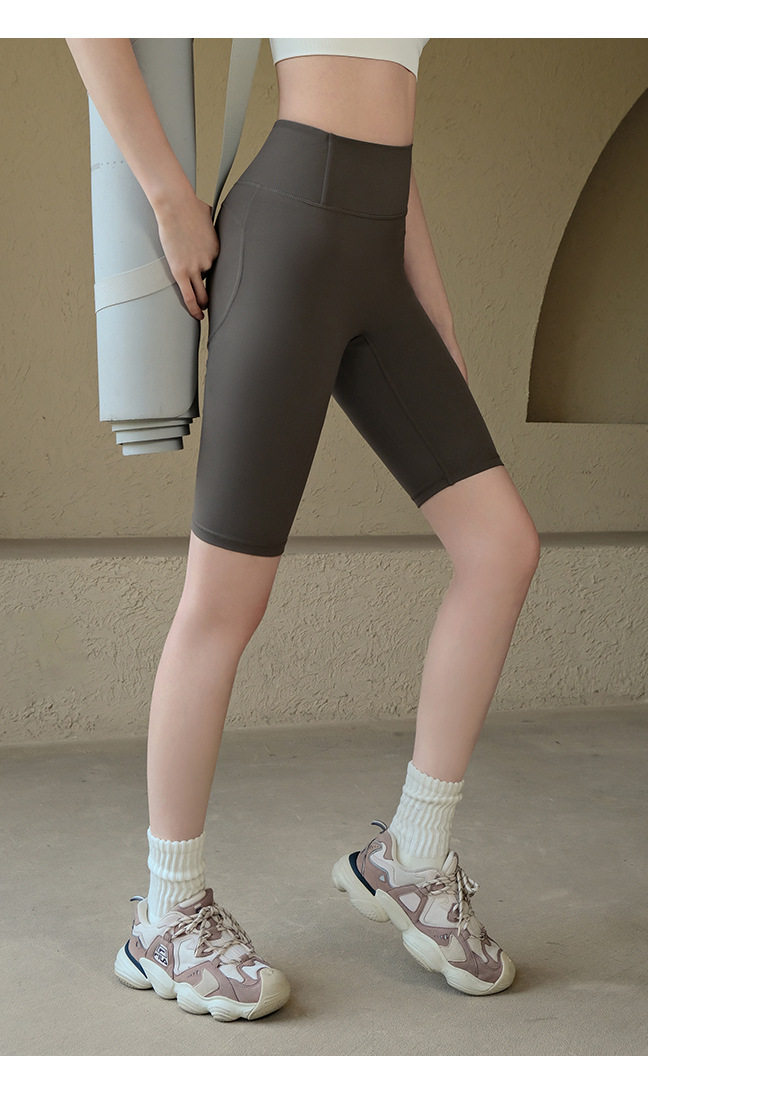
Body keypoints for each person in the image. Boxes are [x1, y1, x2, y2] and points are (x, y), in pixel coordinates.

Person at [66, 37, 541, 1021]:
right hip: (285, 244)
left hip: (380, 250)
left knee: (502, 548)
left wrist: (435, 314)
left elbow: (389, 126)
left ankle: (413, 856)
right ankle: (167, 914)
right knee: (225, 599)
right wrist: (169, 198)